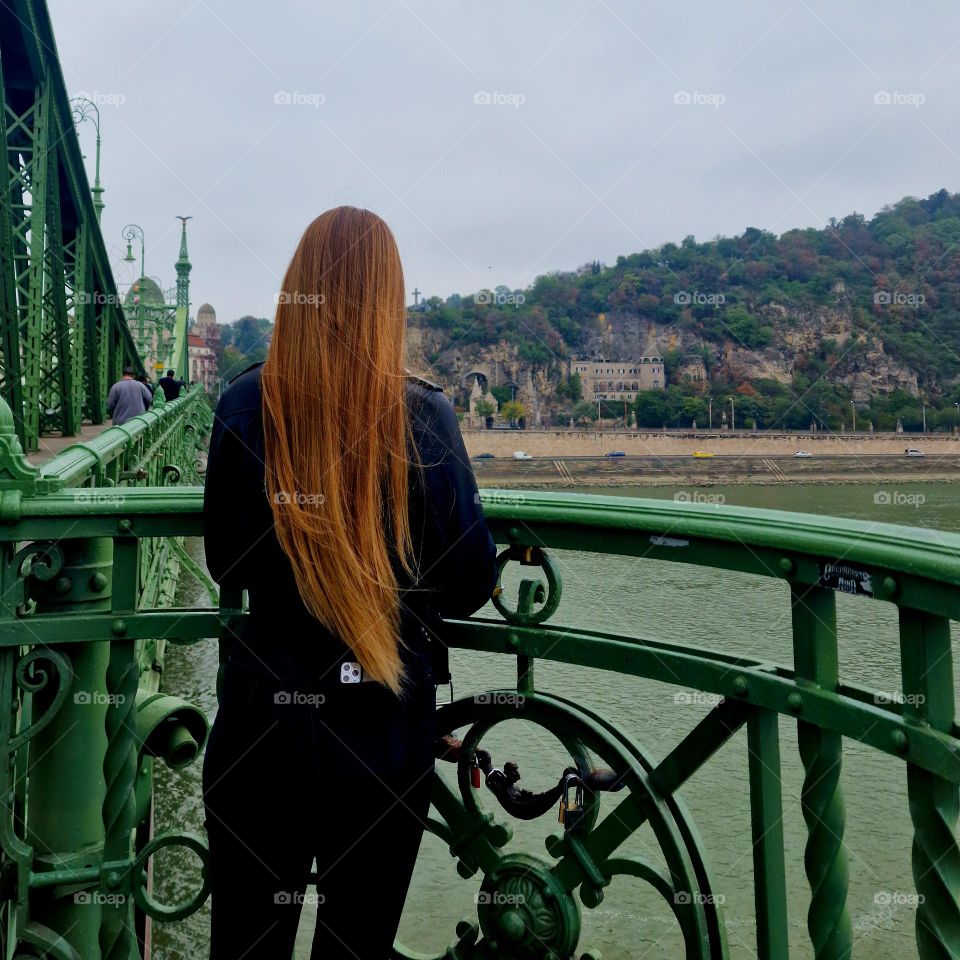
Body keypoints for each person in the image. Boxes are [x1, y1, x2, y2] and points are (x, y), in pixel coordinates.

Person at [202, 206, 497, 960]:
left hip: (260, 720)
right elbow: (468, 580)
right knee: (355, 947)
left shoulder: (241, 402)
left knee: (244, 945)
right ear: (387, 300)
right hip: (379, 725)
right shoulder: (424, 414)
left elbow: (226, 563)